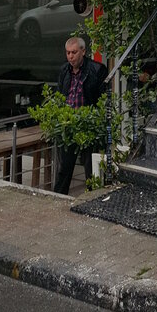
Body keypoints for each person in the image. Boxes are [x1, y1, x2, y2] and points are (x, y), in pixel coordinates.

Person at [53, 36, 107, 195]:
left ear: (83, 51)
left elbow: (102, 100)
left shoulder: (97, 69)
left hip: (87, 125)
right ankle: (58, 198)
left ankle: (93, 198)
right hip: (69, 124)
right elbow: (60, 95)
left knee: (90, 168)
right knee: (64, 168)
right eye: (68, 53)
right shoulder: (64, 70)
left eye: (74, 52)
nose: (70, 56)